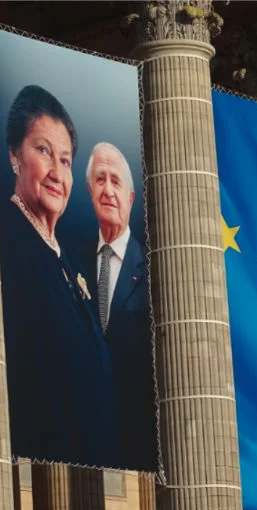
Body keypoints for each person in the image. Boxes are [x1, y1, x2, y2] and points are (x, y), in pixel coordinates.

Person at [0, 85, 120, 467]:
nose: (56, 172)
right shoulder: (3, 243)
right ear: (15, 156)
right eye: (43, 151)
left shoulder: (69, 262)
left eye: (65, 160)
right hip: (39, 464)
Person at [78, 142, 157, 472]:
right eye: (100, 180)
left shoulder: (153, 271)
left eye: (116, 181)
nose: (108, 190)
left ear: (130, 197)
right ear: (89, 190)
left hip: (139, 441)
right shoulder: (71, 260)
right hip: (82, 436)